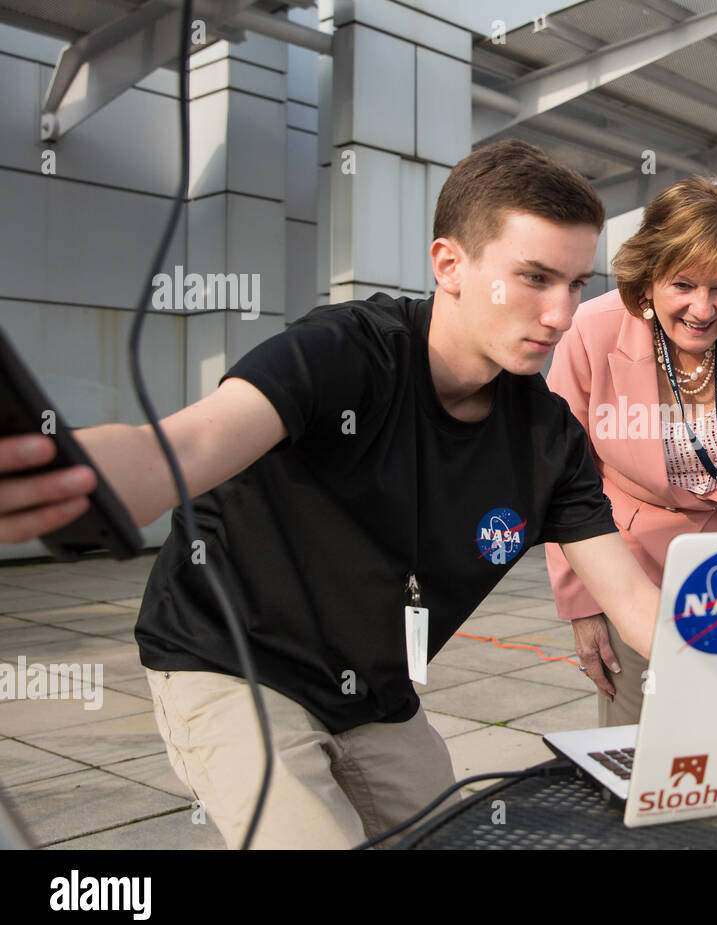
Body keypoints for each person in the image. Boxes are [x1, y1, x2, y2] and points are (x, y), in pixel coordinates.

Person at [0, 139, 660, 847]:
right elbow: (184, 445)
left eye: (575, 284)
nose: (561, 314)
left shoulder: (548, 436)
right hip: (232, 663)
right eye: (534, 277)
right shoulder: (345, 351)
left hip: (375, 692)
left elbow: (629, 599)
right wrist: (67, 472)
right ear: (450, 265)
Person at [544, 177, 717, 725]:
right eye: (682, 284)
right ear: (647, 282)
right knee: (638, 744)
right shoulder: (591, 330)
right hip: (627, 566)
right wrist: (584, 604)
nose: (703, 308)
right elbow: (558, 477)